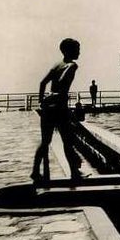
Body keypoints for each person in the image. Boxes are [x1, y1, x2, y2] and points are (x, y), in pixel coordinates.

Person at [31, 38, 83, 182]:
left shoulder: (56, 65)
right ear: (68, 50)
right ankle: (74, 173)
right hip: (59, 108)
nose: (79, 51)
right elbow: (61, 81)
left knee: (45, 141)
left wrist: (41, 101)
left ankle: (35, 171)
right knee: (67, 141)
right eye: (77, 49)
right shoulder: (72, 65)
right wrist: (59, 95)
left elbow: (43, 83)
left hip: (48, 107)